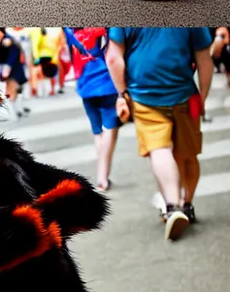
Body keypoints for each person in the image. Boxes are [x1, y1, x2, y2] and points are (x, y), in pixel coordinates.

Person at [106, 27, 215, 239]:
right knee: (188, 155)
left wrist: (122, 94)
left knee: (159, 150)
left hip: (143, 96)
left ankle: (173, 206)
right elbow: (204, 59)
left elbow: (113, 57)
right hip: (185, 94)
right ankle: (187, 204)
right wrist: (203, 98)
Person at [61, 27, 121, 190]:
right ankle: (103, 177)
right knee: (110, 129)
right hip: (107, 82)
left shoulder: (68, 30)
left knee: (97, 131)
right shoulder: (103, 27)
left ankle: (102, 176)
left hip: (85, 85)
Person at [0, 26, 31, 114]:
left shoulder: (9, 40)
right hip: (4, 69)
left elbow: (13, 54)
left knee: (12, 89)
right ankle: (16, 109)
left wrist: (7, 67)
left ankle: (14, 110)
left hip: (15, 68)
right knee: (10, 90)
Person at [30, 25, 59, 96]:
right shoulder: (55, 30)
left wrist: (35, 57)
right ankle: (51, 89)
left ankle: (36, 91)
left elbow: (35, 44)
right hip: (50, 55)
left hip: (42, 55)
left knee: (39, 73)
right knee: (50, 73)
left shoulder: (37, 30)